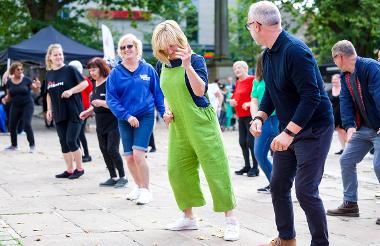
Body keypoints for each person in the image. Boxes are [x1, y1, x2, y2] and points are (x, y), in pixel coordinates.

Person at [247, 2, 334, 245]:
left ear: (256, 25)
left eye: (249, 26)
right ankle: (287, 238)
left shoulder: (295, 50)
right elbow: (270, 94)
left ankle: (320, 242)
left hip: (314, 129)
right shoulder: (268, 54)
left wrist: (287, 133)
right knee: (278, 185)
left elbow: (312, 96)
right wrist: (260, 117)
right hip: (289, 129)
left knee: (305, 191)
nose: (250, 30)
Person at [151, 20, 239, 241]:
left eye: (172, 46)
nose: (169, 51)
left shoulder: (197, 60)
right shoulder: (162, 64)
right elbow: (166, 92)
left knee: (216, 169)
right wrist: (167, 110)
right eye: (164, 48)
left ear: (180, 40)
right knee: (177, 170)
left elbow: (200, 92)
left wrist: (187, 65)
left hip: (202, 122)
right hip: (179, 125)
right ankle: (188, 217)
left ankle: (231, 221)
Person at [106, 33, 165, 205]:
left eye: (129, 46)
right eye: (123, 47)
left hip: (145, 116)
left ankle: (146, 190)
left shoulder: (148, 70)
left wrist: (164, 113)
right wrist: (126, 115)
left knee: (139, 155)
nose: (126, 50)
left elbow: (158, 94)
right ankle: (138, 187)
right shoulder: (116, 73)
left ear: (137, 48)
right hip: (125, 118)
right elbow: (111, 99)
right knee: (129, 157)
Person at [326, 40, 380, 226]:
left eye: (334, 59)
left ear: (339, 57)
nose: (335, 62)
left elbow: (378, 94)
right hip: (364, 128)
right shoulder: (345, 76)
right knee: (346, 160)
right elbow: (346, 102)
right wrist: (349, 127)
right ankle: (350, 204)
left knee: (379, 165)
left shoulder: (371, 67)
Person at [80, 57, 127, 188]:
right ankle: (113, 177)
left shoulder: (109, 83)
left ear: (101, 68)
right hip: (100, 123)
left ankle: (123, 177)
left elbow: (118, 104)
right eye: (89, 70)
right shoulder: (94, 85)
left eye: (94, 69)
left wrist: (101, 103)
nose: (92, 73)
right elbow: (94, 104)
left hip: (113, 122)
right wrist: (88, 111)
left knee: (112, 149)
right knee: (104, 149)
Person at [45, 43, 89, 179]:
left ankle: (80, 169)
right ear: (50, 57)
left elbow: (85, 83)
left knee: (71, 140)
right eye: (56, 54)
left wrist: (71, 91)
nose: (59, 57)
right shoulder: (49, 74)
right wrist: (49, 109)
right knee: (63, 142)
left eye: (60, 54)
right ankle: (69, 170)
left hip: (74, 111)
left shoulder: (70, 69)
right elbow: (48, 93)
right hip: (59, 113)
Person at [249, 52, 279, 193]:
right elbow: (254, 101)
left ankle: (282, 185)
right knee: (260, 154)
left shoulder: (279, 76)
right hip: (264, 121)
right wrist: (256, 119)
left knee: (283, 156)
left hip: (280, 119)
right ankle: (275, 183)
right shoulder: (257, 81)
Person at [2, 62, 40, 152]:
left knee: (27, 124)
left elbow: (35, 90)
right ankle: (14, 146)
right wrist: (5, 99)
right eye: (18, 69)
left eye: (21, 69)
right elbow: (9, 96)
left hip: (27, 105)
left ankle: (32, 146)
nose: (20, 71)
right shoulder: (9, 82)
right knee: (11, 126)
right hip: (15, 105)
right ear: (13, 71)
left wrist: (37, 86)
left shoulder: (27, 80)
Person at [230, 61, 259, 177]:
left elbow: (257, 95)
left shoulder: (252, 79)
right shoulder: (238, 82)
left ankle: (255, 168)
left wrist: (249, 103)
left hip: (250, 116)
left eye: (239, 67)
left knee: (251, 142)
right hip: (240, 116)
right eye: (234, 68)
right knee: (242, 142)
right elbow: (235, 96)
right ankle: (247, 166)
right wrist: (232, 101)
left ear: (245, 68)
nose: (236, 69)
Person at [68, 60, 93, 163]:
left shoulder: (85, 80)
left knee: (80, 133)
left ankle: (86, 154)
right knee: (77, 133)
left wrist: (90, 110)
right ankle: (79, 153)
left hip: (84, 110)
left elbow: (90, 94)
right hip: (75, 109)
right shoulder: (71, 81)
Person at [328, 74, 347, 155]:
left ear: (339, 79)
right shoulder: (329, 91)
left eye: (335, 79)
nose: (334, 81)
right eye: (333, 79)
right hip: (334, 114)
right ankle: (343, 148)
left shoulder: (344, 89)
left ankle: (349, 147)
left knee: (343, 131)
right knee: (339, 131)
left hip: (343, 113)